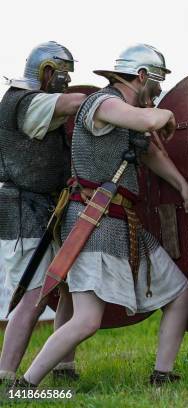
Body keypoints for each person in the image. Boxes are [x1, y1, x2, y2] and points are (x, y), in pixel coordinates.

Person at [18, 44, 188, 387]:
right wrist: (167, 116)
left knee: (181, 293)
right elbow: (150, 120)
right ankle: (25, 386)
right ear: (141, 76)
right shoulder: (103, 103)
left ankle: (162, 376)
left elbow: (144, 155)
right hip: (93, 222)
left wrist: (181, 185)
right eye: (156, 84)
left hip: (124, 224)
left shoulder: (124, 113)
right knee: (86, 321)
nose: (157, 93)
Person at [0, 41, 86, 384]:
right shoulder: (25, 103)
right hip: (24, 210)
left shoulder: (36, 103)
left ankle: (63, 367)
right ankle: (5, 375)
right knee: (33, 295)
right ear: (47, 72)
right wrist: (106, 100)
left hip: (48, 208)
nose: (66, 82)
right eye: (63, 75)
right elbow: (77, 102)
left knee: (65, 285)